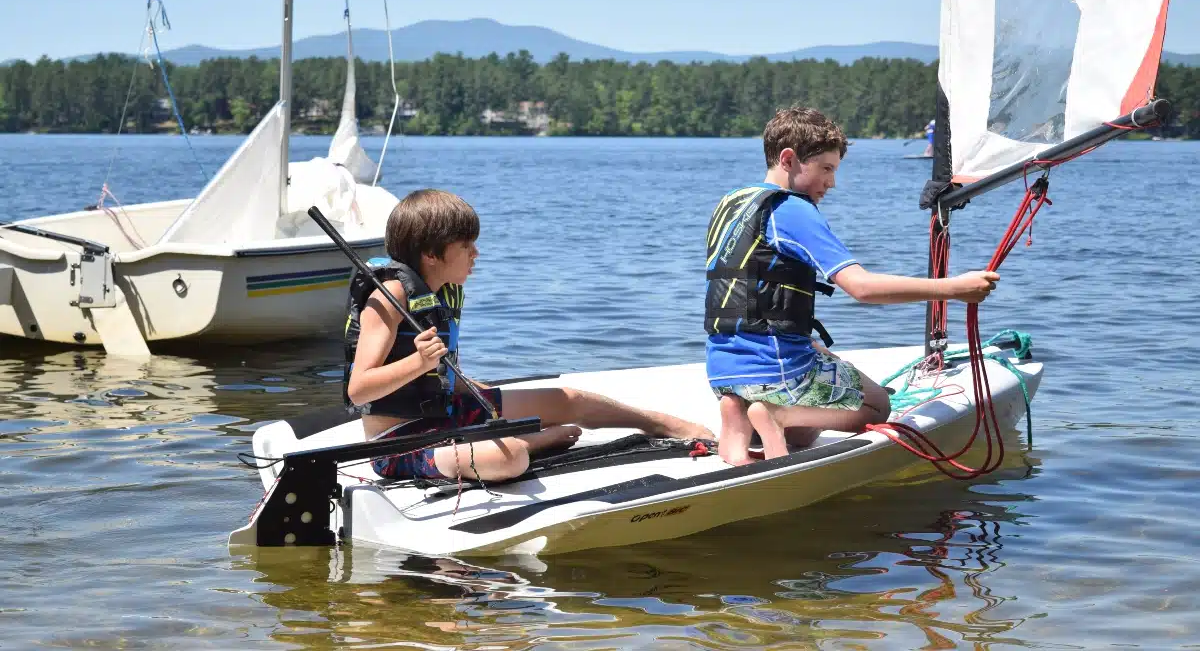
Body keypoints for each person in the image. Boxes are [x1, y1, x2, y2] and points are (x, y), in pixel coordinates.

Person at [345, 188, 713, 483]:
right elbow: (359, 389)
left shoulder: (443, 291)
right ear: (430, 254)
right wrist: (417, 361)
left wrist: (478, 388)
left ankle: (662, 424)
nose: (476, 254)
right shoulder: (391, 294)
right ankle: (535, 440)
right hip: (400, 442)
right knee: (506, 457)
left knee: (565, 398)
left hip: (450, 412)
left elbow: (437, 379)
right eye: (465, 246)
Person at [704, 106, 999, 466]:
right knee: (877, 404)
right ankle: (775, 414)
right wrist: (954, 288)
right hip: (776, 371)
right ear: (788, 159)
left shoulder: (732, 203)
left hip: (723, 372)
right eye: (826, 169)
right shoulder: (793, 211)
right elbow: (861, 287)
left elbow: (748, 290)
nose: (832, 183)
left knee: (805, 430)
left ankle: (739, 418)